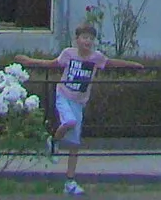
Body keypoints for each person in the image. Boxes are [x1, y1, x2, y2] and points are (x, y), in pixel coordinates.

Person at [22, 22, 142, 196]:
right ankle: (54, 143)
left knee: (74, 145)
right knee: (69, 121)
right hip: (64, 95)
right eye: (84, 38)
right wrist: (28, 61)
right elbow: (51, 64)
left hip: (79, 102)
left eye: (91, 38)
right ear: (77, 39)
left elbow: (112, 63)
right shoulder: (68, 54)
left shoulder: (96, 57)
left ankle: (70, 182)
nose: (88, 41)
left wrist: (133, 65)